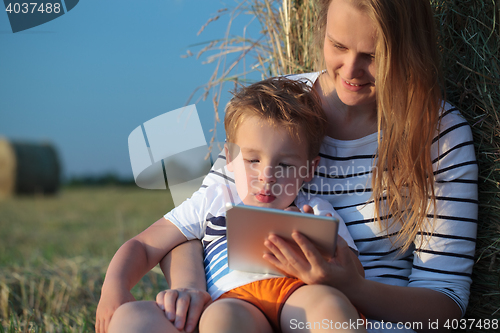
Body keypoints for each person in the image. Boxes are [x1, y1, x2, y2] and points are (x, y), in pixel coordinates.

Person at [102, 0, 478, 332]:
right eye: (338, 46)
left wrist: (352, 287)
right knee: (136, 322)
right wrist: (193, 291)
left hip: (345, 316)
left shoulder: (440, 137)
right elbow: (194, 226)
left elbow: (444, 309)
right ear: (321, 30)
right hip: (232, 305)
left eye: (373, 55)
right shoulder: (278, 108)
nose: (350, 69)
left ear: (407, 51)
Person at [97, 77, 365, 333]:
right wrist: (114, 288)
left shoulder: (316, 209)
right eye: (253, 160)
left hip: (295, 293)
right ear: (230, 156)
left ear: (309, 169)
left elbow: (354, 275)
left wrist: (317, 255)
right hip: (231, 300)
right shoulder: (213, 200)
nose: (266, 176)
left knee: (330, 308)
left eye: (284, 165)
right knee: (138, 320)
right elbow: (145, 245)